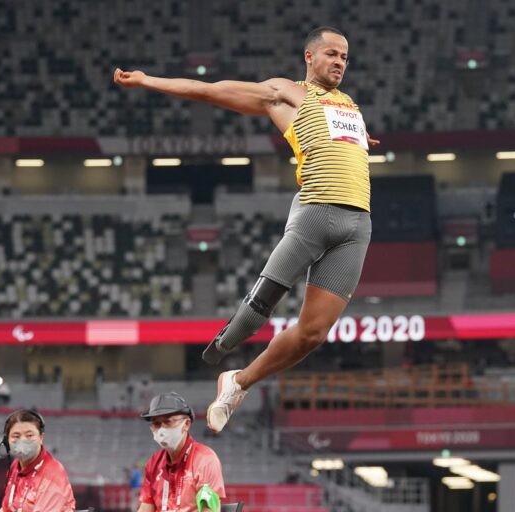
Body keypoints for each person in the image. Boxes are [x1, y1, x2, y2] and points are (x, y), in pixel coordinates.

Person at [115, 26, 379, 433]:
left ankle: (237, 383)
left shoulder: (349, 105)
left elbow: (340, 138)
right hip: (315, 210)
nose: (340, 63)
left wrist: (360, 138)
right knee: (263, 305)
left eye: (345, 57)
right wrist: (149, 80)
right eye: (331, 54)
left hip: (357, 224)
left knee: (313, 334)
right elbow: (210, 91)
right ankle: (222, 347)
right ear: (309, 57)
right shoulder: (286, 93)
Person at [138, 392, 225, 511]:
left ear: (187, 424)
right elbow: (145, 508)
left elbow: (209, 509)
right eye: (156, 424)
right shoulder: (153, 463)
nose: (161, 429)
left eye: (168, 422)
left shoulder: (205, 460)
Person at [0, 409, 75, 512]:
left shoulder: (53, 474)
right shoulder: (15, 465)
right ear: (7, 441)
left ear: (41, 438)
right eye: (16, 436)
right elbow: (7, 507)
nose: (23, 441)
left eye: (29, 435)